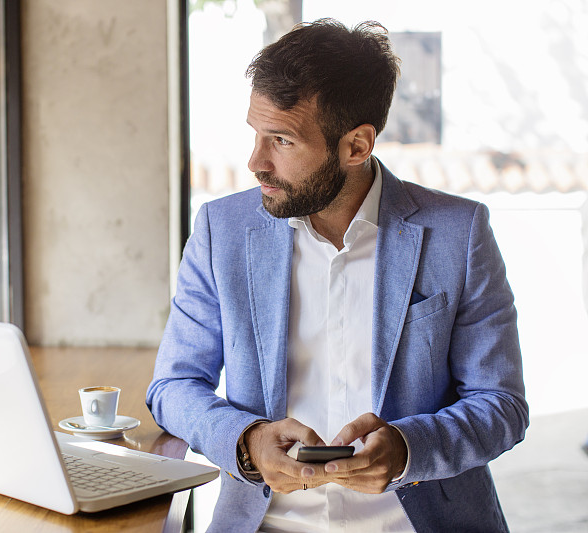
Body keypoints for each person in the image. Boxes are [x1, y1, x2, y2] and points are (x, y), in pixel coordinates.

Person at [146, 18, 528, 533]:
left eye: (281, 140)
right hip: (264, 524)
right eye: (256, 135)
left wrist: (410, 448)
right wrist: (246, 440)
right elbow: (173, 385)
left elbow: (502, 405)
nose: (256, 161)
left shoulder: (458, 233)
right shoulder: (224, 231)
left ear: (356, 146)